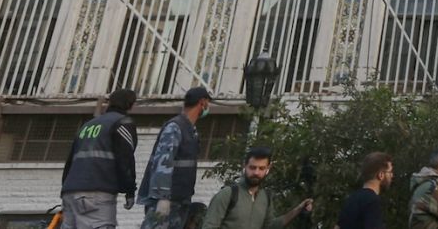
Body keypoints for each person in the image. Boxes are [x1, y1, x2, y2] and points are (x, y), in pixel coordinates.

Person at [63, 88, 140, 229]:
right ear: (131, 104)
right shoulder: (122, 123)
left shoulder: (87, 125)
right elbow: (125, 159)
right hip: (96, 195)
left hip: (70, 193)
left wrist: (65, 189)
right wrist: (129, 190)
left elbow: (70, 162)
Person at [143, 86, 212, 228]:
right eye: (207, 104)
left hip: (180, 200)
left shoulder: (191, 131)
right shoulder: (175, 127)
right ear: (202, 102)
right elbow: (163, 162)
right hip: (166, 202)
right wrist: (162, 197)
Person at [200, 146, 311, 229]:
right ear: (245, 166)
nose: (256, 172)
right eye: (252, 167)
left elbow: (270, 226)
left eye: (261, 168)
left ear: (268, 168)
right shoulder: (228, 194)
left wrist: (298, 209)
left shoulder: (265, 198)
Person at [338, 152, 393, 229]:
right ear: (381, 175)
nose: (392, 175)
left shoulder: (351, 198)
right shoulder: (372, 201)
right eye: (390, 172)